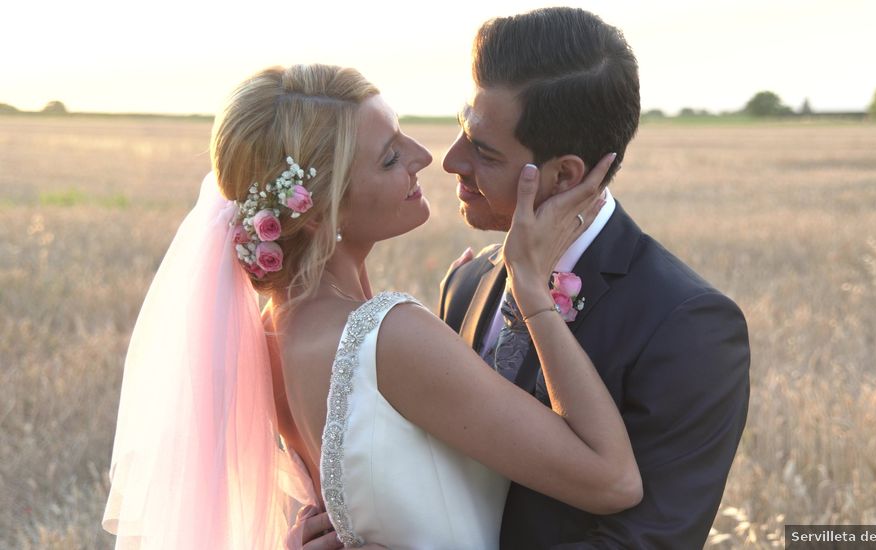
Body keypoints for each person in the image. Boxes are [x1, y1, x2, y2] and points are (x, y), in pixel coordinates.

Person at [102, 63, 642, 550]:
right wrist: (530, 288)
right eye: (389, 157)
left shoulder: (269, 333)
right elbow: (611, 480)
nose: (424, 157)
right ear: (317, 212)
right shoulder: (386, 337)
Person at [436, 7, 751, 548]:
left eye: (483, 151)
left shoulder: (689, 325)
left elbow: (648, 540)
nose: (450, 161)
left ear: (564, 175)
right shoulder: (466, 284)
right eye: (463, 131)